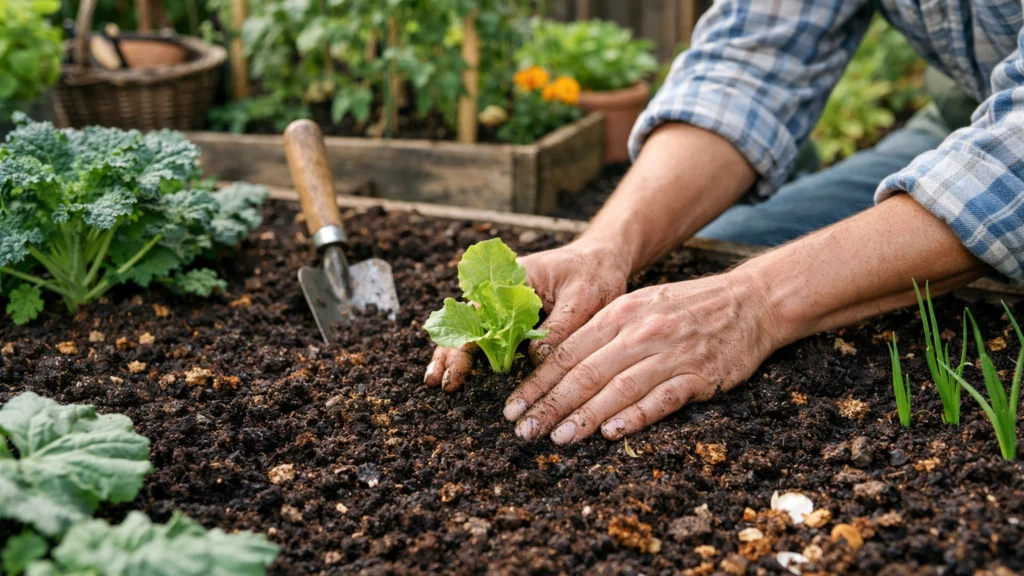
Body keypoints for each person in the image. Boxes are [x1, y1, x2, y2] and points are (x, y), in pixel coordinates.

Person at [424, 1, 1024, 445]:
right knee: (736, 240)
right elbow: (748, 64)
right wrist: (606, 247)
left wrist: (752, 302)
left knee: (745, 274)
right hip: (958, 128)